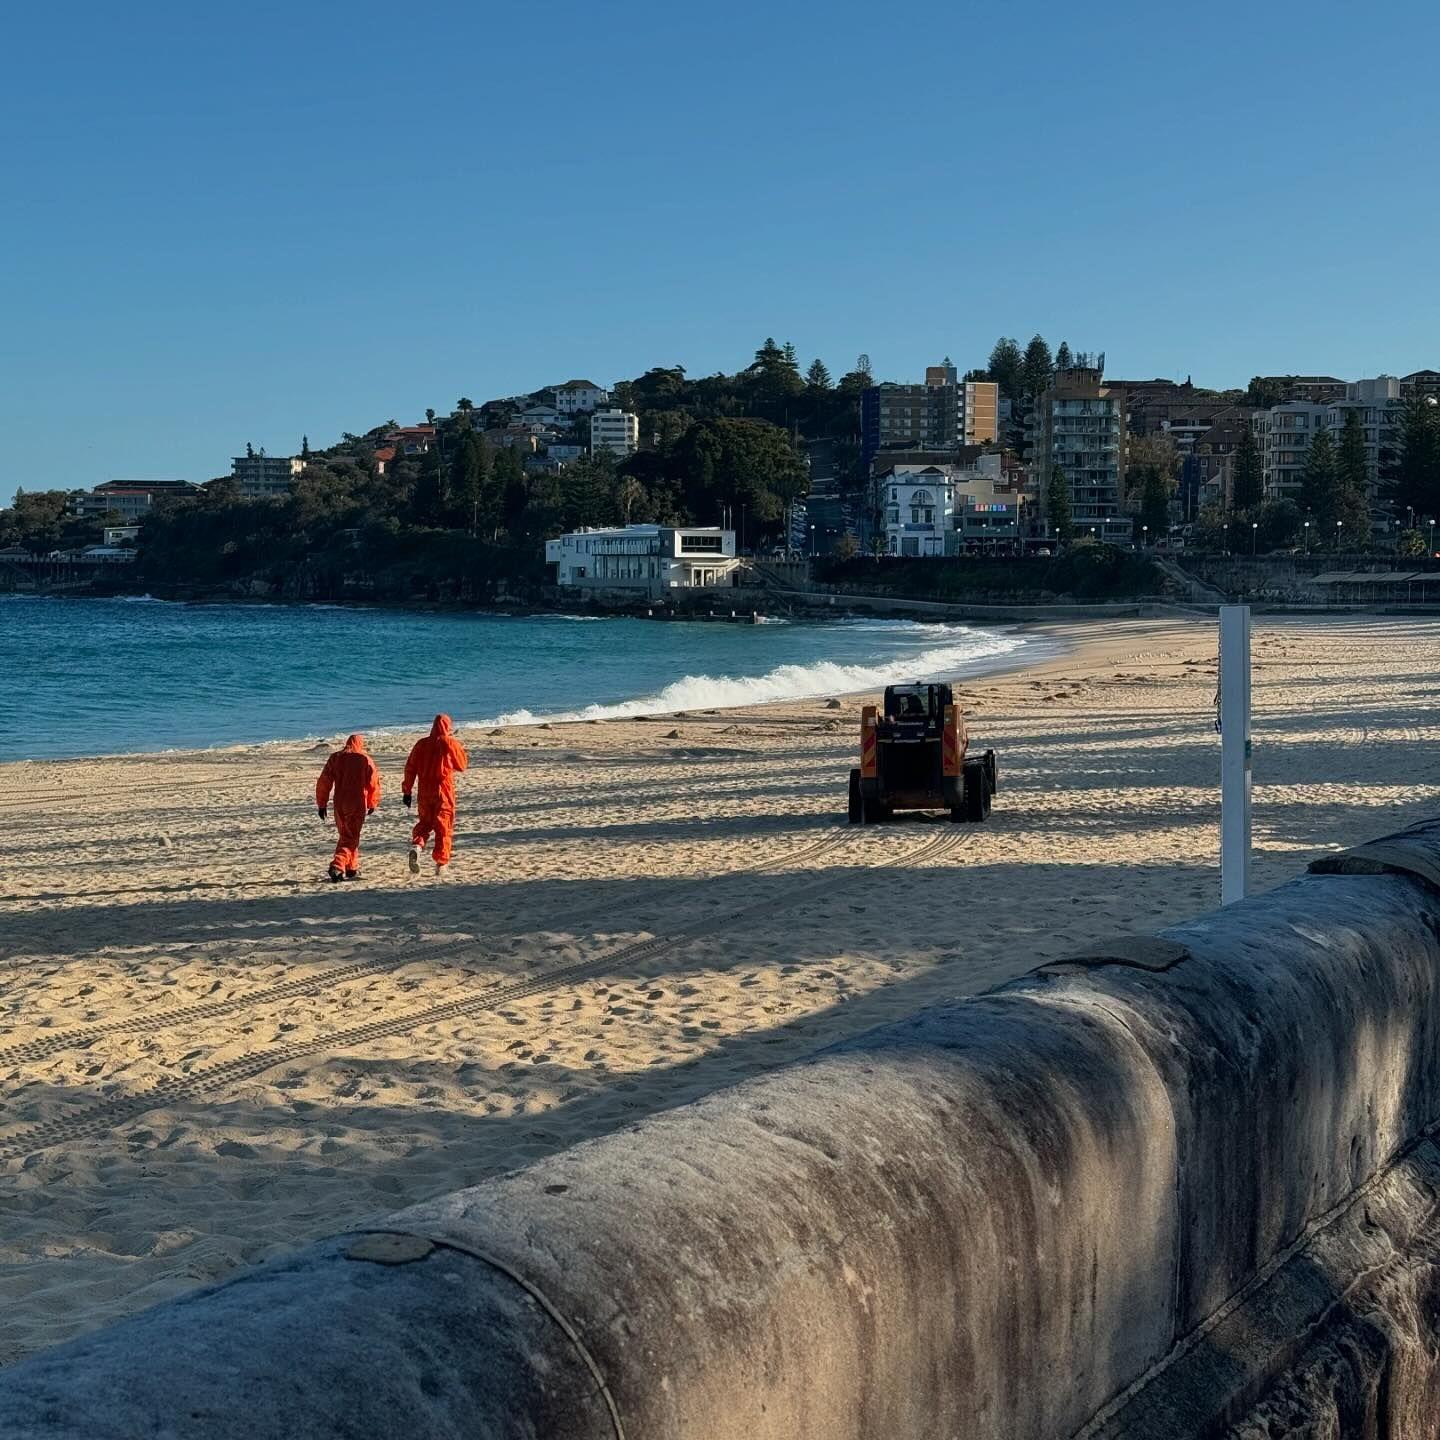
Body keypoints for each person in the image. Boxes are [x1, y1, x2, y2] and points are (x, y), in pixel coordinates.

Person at [403, 713, 469, 875]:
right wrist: (453, 745)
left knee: (425, 823)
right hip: (443, 791)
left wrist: (407, 791)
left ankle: (417, 846)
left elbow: (410, 768)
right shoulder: (450, 743)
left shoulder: (421, 744)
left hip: (424, 791)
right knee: (443, 828)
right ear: (448, 727)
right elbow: (462, 766)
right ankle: (441, 864)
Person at [315, 734, 381, 882]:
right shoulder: (365, 759)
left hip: (339, 802)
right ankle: (337, 865)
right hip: (356, 802)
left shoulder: (336, 758)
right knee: (350, 836)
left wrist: (322, 803)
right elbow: (373, 783)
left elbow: (324, 781)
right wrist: (373, 802)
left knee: (347, 835)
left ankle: (351, 868)